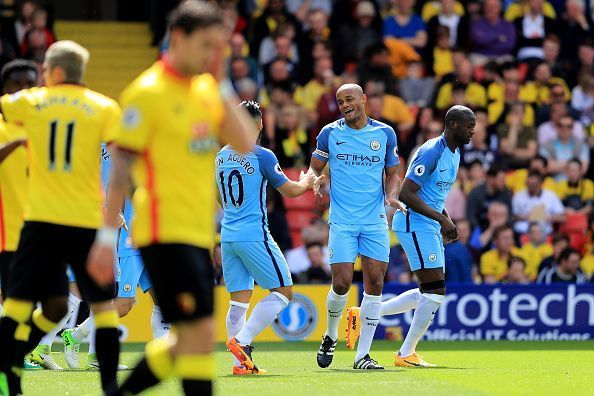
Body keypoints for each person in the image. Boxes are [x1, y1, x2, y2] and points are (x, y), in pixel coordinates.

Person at [0, 40, 122, 394]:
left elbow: (8, 106)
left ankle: (10, 362)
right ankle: (111, 387)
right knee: (103, 308)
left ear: (51, 72)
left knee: (17, 307)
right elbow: (120, 167)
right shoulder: (104, 107)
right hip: (85, 223)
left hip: (39, 222)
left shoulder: (32, 102)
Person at [351, 105, 475, 367]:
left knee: (429, 291)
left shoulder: (454, 153)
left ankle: (364, 315)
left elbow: (432, 194)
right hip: (413, 223)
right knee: (435, 291)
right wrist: (441, 219)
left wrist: (445, 216)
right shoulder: (432, 152)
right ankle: (405, 353)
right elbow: (406, 193)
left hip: (427, 224)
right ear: (452, 124)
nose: (472, 131)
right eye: (468, 126)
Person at [218, 101, 319, 375]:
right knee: (284, 291)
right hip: (254, 234)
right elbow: (291, 191)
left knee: (238, 303)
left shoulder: (221, 156)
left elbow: (219, 197)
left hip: (228, 235)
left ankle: (241, 365)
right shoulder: (262, 155)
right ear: (260, 124)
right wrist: (309, 180)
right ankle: (242, 342)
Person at [309, 83, 402, 370]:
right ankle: (330, 335)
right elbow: (314, 169)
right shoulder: (330, 133)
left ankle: (363, 355)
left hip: (374, 221)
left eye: (349, 99)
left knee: (375, 284)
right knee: (342, 283)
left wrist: (392, 195)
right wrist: (318, 181)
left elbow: (394, 173)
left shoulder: (384, 133)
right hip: (342, 221)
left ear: (363, 99)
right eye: (340, 101)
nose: (345, 105)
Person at [60, 144, 170, 371]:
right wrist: (116, 214)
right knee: (123, 304)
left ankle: (163, 357)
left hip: (149, 237)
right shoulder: (125, 151)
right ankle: (75, 334)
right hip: (131, 240)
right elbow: (111, 187)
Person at [0, 59, 42, 371]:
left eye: (32, 84)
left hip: (33, 230)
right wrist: (16, 143)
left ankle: (16, 353)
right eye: (20, 85)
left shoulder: (43, 127)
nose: (27, 91)